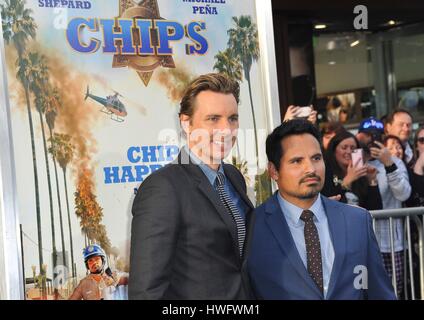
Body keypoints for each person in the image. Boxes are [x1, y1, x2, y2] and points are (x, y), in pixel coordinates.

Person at [129, 73, 255, 299]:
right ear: (186, 123)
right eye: (213, 119)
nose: (226, 129)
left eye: (233, 118)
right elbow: (146, 292)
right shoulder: (162, 188)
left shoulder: (234, 177)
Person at [248, 119, 395, 300]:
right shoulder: (252, 226)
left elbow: (379, 292)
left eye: (316, 158)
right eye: (297, 161)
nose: (310, 169)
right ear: (273, 171)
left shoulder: (357, 220)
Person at [321, 131, 382, 210]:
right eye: (344, 148)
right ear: (334, 151)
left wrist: (372, 181)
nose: (349, 151)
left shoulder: (360, 174)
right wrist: (346, 182)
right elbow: (329, 205)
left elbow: (376, 209)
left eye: (353, 148)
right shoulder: (326, 173)